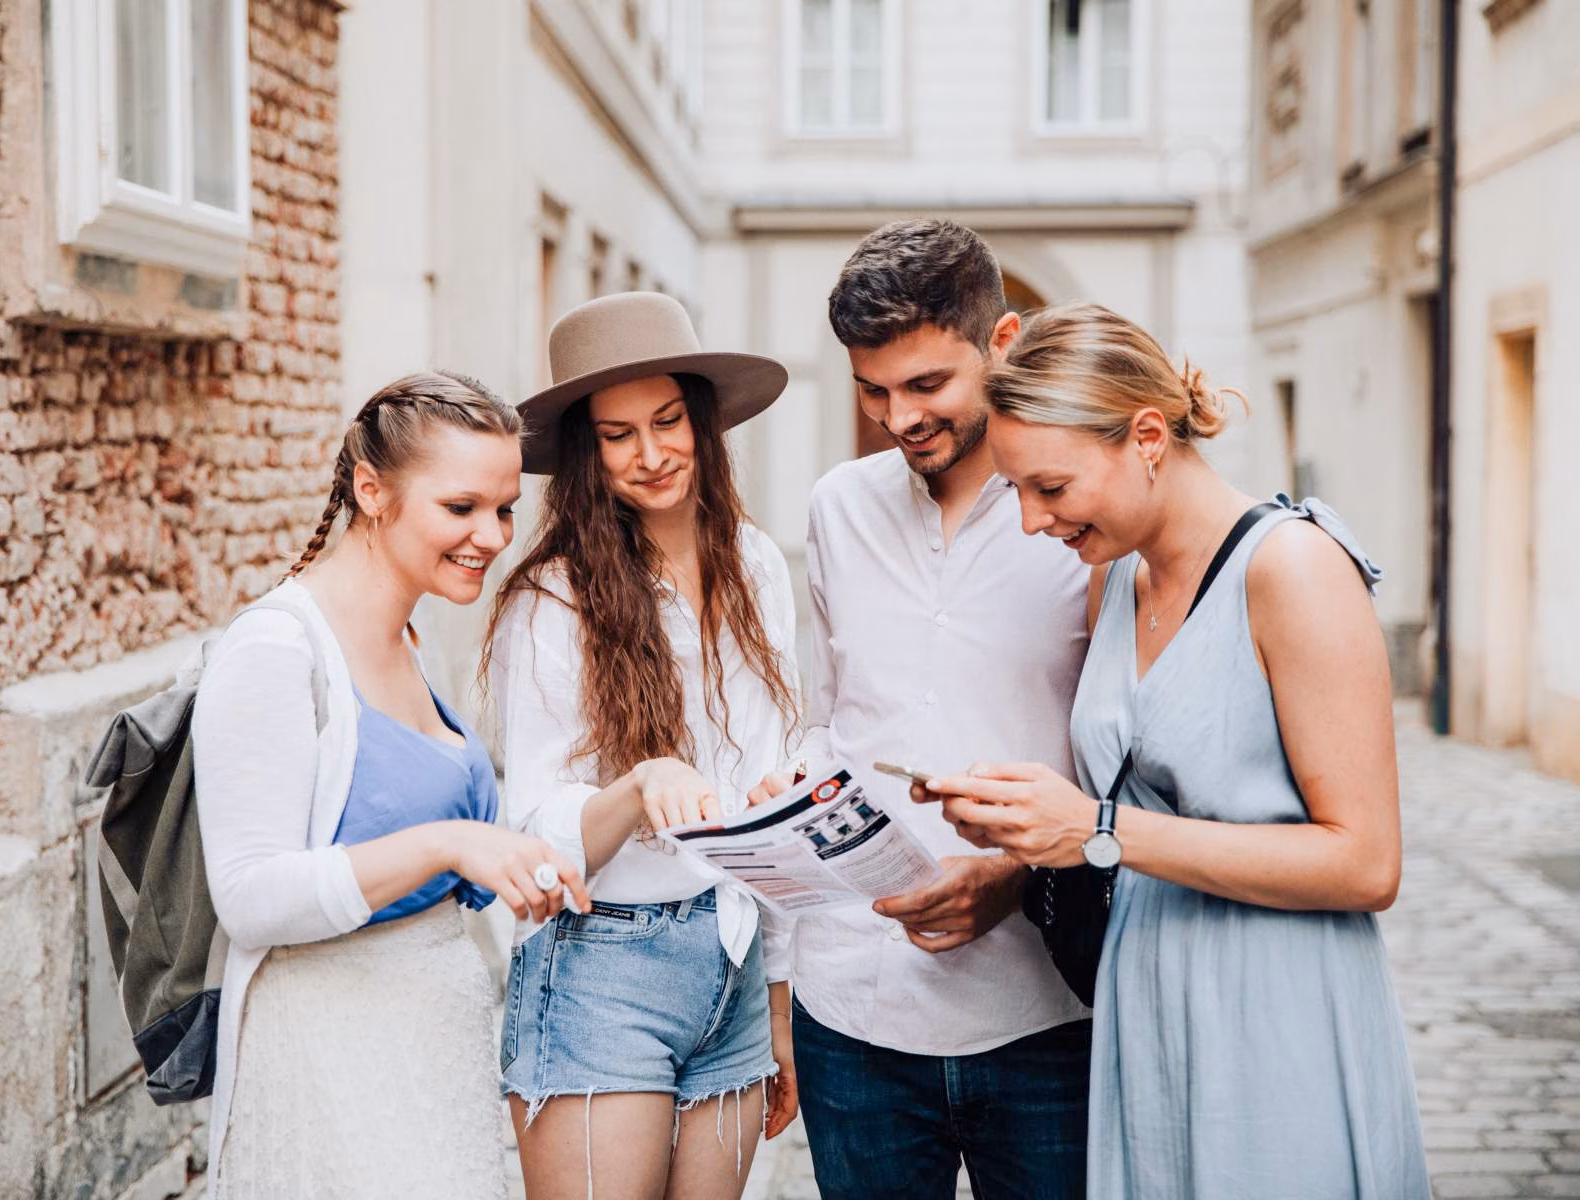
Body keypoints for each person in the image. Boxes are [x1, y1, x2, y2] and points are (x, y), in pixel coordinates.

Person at [919, 302, 1430, 1197]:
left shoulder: (1293, 570)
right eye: (1017, 495)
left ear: (1147, 435)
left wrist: (1100, 830)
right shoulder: (1115, 575)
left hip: (1276, 1005)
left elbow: (1366, 862)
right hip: (1142, 999)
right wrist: (1017, 846)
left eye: (1052, 487)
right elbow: (1115, 803)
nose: (1035, 523)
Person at [747, 219, 1094, 1199]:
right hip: (852, 1012)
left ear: (1005, 342)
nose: (898, 417)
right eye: (873, 389)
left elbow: (1121, 764)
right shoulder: (835, 508)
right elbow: (827, 718)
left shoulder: (1077, 518)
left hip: (1045, 1013)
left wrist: (1017, 875)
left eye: (927, 385)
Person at [191, 372, 591, 1200]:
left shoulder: (410, 636)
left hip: (432, 1055)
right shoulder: (274, 650)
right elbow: (249, 896)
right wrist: (447, 843)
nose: (492, 535)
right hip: (331, 1060)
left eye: (505, 508)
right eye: (461, 508)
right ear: (371, 491)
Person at [483, 292, 801, 1200]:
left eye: (667, 422)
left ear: (702, 421)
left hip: (732, 959)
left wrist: (778, 1005)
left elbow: (767, 796)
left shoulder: (758, 563)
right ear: (586, 451)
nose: (652, 455)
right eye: (618, 435)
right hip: (599, 966)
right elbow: (537, 843)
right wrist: (639, 786)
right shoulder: (551, 600)